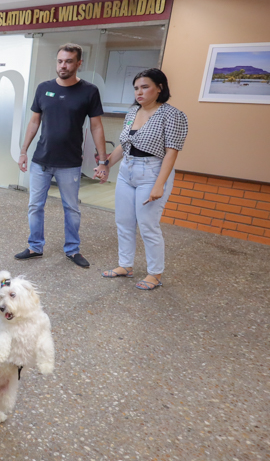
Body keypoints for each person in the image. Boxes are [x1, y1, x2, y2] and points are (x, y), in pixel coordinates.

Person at [15, 43, 108, 268]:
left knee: (72, 208)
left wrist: (103, 161)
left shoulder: (89, 91)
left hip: (69, 163)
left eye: (68, 61)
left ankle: (72, 250)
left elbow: (96, 127)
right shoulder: (43, 88)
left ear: (79, 63)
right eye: (59, 61)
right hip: (41, 160)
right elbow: (34, 121)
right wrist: (23, 151)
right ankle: (35, 247)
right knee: (35, 206)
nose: (63, 65)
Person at [97, 68, 188, 291]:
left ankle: (155, 274)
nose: (139, 92)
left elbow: (171, 152)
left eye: (145, 87)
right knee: (124, 222)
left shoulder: (173, 115)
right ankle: (125, 266)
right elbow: (124, 145)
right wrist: (106, 164)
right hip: (128, 170)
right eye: (136, 88)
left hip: (153, 171)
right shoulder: (133, 112)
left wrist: (159, 184)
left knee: (148, 225)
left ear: (160, 88)